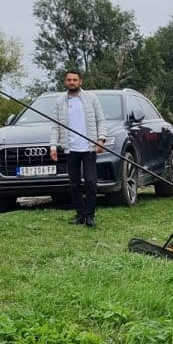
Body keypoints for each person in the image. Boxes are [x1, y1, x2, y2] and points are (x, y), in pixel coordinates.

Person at [49, 69, 106, 227]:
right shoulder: (60, 101)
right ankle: (80, 214)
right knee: (74, 184)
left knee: (91, 181)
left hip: (89, 148)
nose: (72, 82)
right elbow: (55, 126)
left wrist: (101, 139)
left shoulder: (91, 98)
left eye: (75, 80)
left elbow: (101, 120)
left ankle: (90, 215)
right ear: (65, 82)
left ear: (81, 82)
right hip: (70, 149)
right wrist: (53, 145)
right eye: (69, 80)